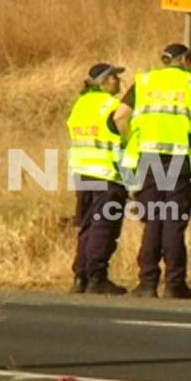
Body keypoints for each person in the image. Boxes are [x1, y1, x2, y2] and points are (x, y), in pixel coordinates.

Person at [114, 43, 191, 300]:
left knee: (153, 220)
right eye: (190, 60)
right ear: (183, 60)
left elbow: (119, 117)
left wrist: (130, 141)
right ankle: (174, 283)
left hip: (148, 157)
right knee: (173, 221)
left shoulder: (145, 81)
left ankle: (147, 283)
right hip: (180, 159)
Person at [67, 63, 129, 296]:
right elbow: (126, 136)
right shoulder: (112, 105)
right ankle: (97, 276)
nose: (118, 81)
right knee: (104, 226)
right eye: (114, 77)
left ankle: (80, 275)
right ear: (103, 81)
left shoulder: (80, 104)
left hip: (82, 172)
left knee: (87, 225)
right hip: (107, 172)